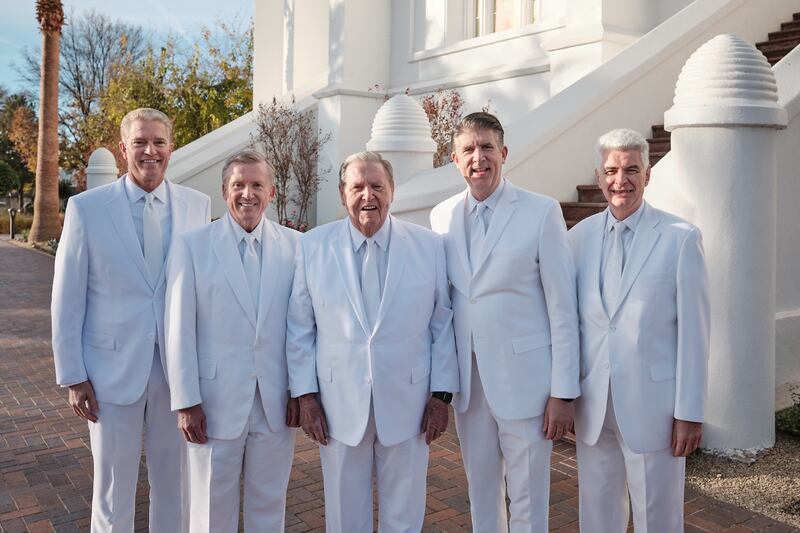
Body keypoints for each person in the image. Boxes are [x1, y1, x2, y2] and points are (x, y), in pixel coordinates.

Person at [51, 108, 210, 532]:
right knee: (112, 490)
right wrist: (72, 375)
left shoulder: (198, 206)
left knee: (174, 486)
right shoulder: (86, 209)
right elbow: (67, 297)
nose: (150, 150)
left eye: (158, 141)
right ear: (124, 149)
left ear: (170, 147)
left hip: (176, 375)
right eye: (140, 142)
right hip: (107, 373)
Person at [287, 151, 459, 533]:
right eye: (358, 187)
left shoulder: (429, 246)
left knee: (405, 511)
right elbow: (300, 328)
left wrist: (440, 396)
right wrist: (307, 397)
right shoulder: (313, 246)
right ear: (342, 193)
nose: (368, 195)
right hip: (337, 405)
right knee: (345, 514)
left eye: (377, 186)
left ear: (392, 191)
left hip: (410, 403)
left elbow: (441, 324)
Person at [429, 111, 580, 532]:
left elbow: (563, 308)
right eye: (468, 150)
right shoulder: (441, 217)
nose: (479, 157)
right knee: (481, 492)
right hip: (470, 385)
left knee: (529, 497)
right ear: (456, 160)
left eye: (487, 148)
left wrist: (563, 392)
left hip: (528, 384)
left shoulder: (541, 211)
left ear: (503, 153)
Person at [568, 128, 710, 532]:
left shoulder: (680, 239)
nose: (620, 180)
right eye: (611, 170)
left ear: (647, 175)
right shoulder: (576, 239)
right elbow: (571, 324)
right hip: (594, 408)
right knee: (597, 518)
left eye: (632, 169)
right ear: (598, 177)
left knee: (659, 519)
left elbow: (695, 335)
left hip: (656, 410)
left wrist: (690, 413)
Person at [165, 150, 300, 532]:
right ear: (224, 190)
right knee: (210, 513)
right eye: (238, 185)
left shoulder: (296, 246)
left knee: (269, 509)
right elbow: (178, 328)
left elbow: (302, 326)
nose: (248, 194)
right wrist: (186, 401)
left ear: (271, 192)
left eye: (257, 185)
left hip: (275, 404)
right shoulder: (191, 246)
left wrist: (299, 391)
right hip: (212, 404)